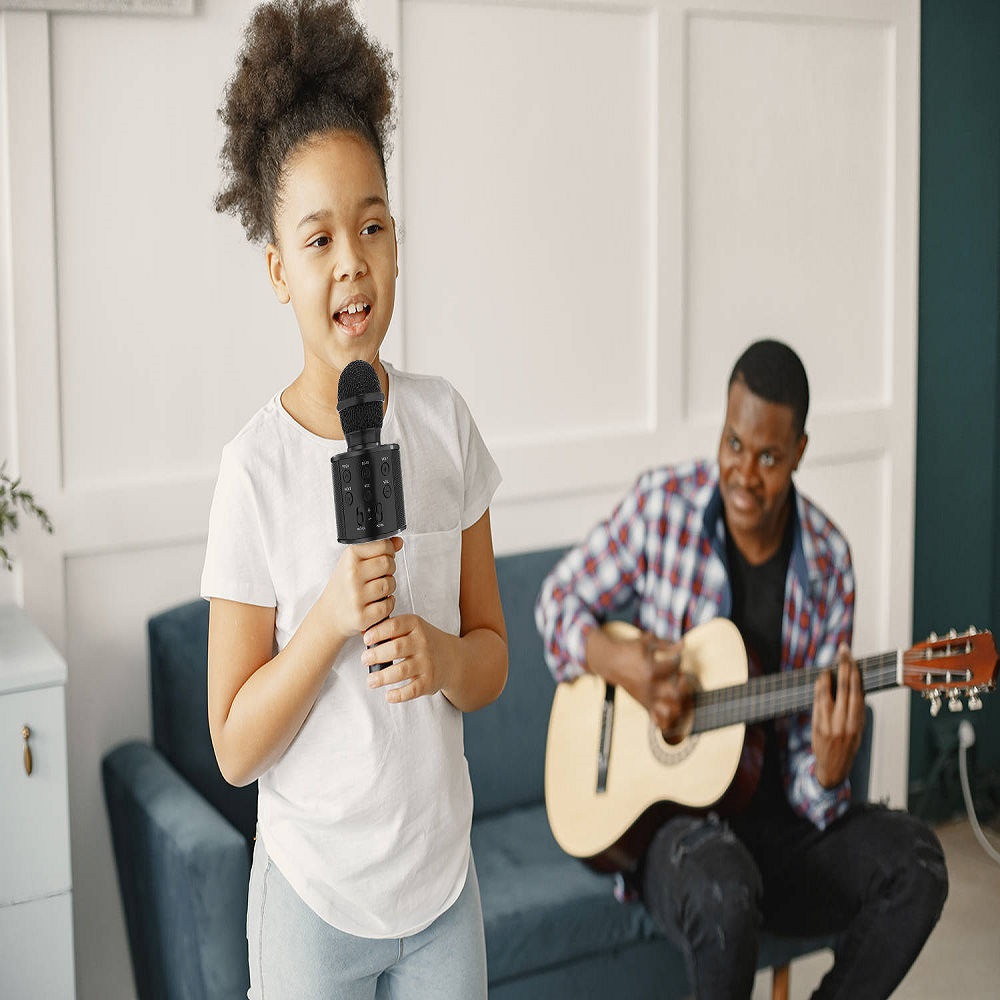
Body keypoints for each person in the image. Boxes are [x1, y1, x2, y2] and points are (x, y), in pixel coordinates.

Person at [201, 2, 507, 997]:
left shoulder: (446, 423)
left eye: (372, 225)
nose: (351, 260)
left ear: (398, 243)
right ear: (278, 269)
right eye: (319, 237)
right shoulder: (253, 469)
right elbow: (236, 746)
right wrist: (331, 617)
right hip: (310, 904)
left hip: (440, 894)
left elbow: (492, 657)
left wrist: (444, 655)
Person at [535, 339, 947, 999]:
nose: (744, 475)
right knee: (725, 891)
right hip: (675, 833)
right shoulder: (660, 507)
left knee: (918, 867)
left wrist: (832, 769)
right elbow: (557, 603)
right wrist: (629, 667)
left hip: (778, 828)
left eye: (768, 457)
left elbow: (816, 797)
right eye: (733, 445)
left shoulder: (829, 563)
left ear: (800, 454)